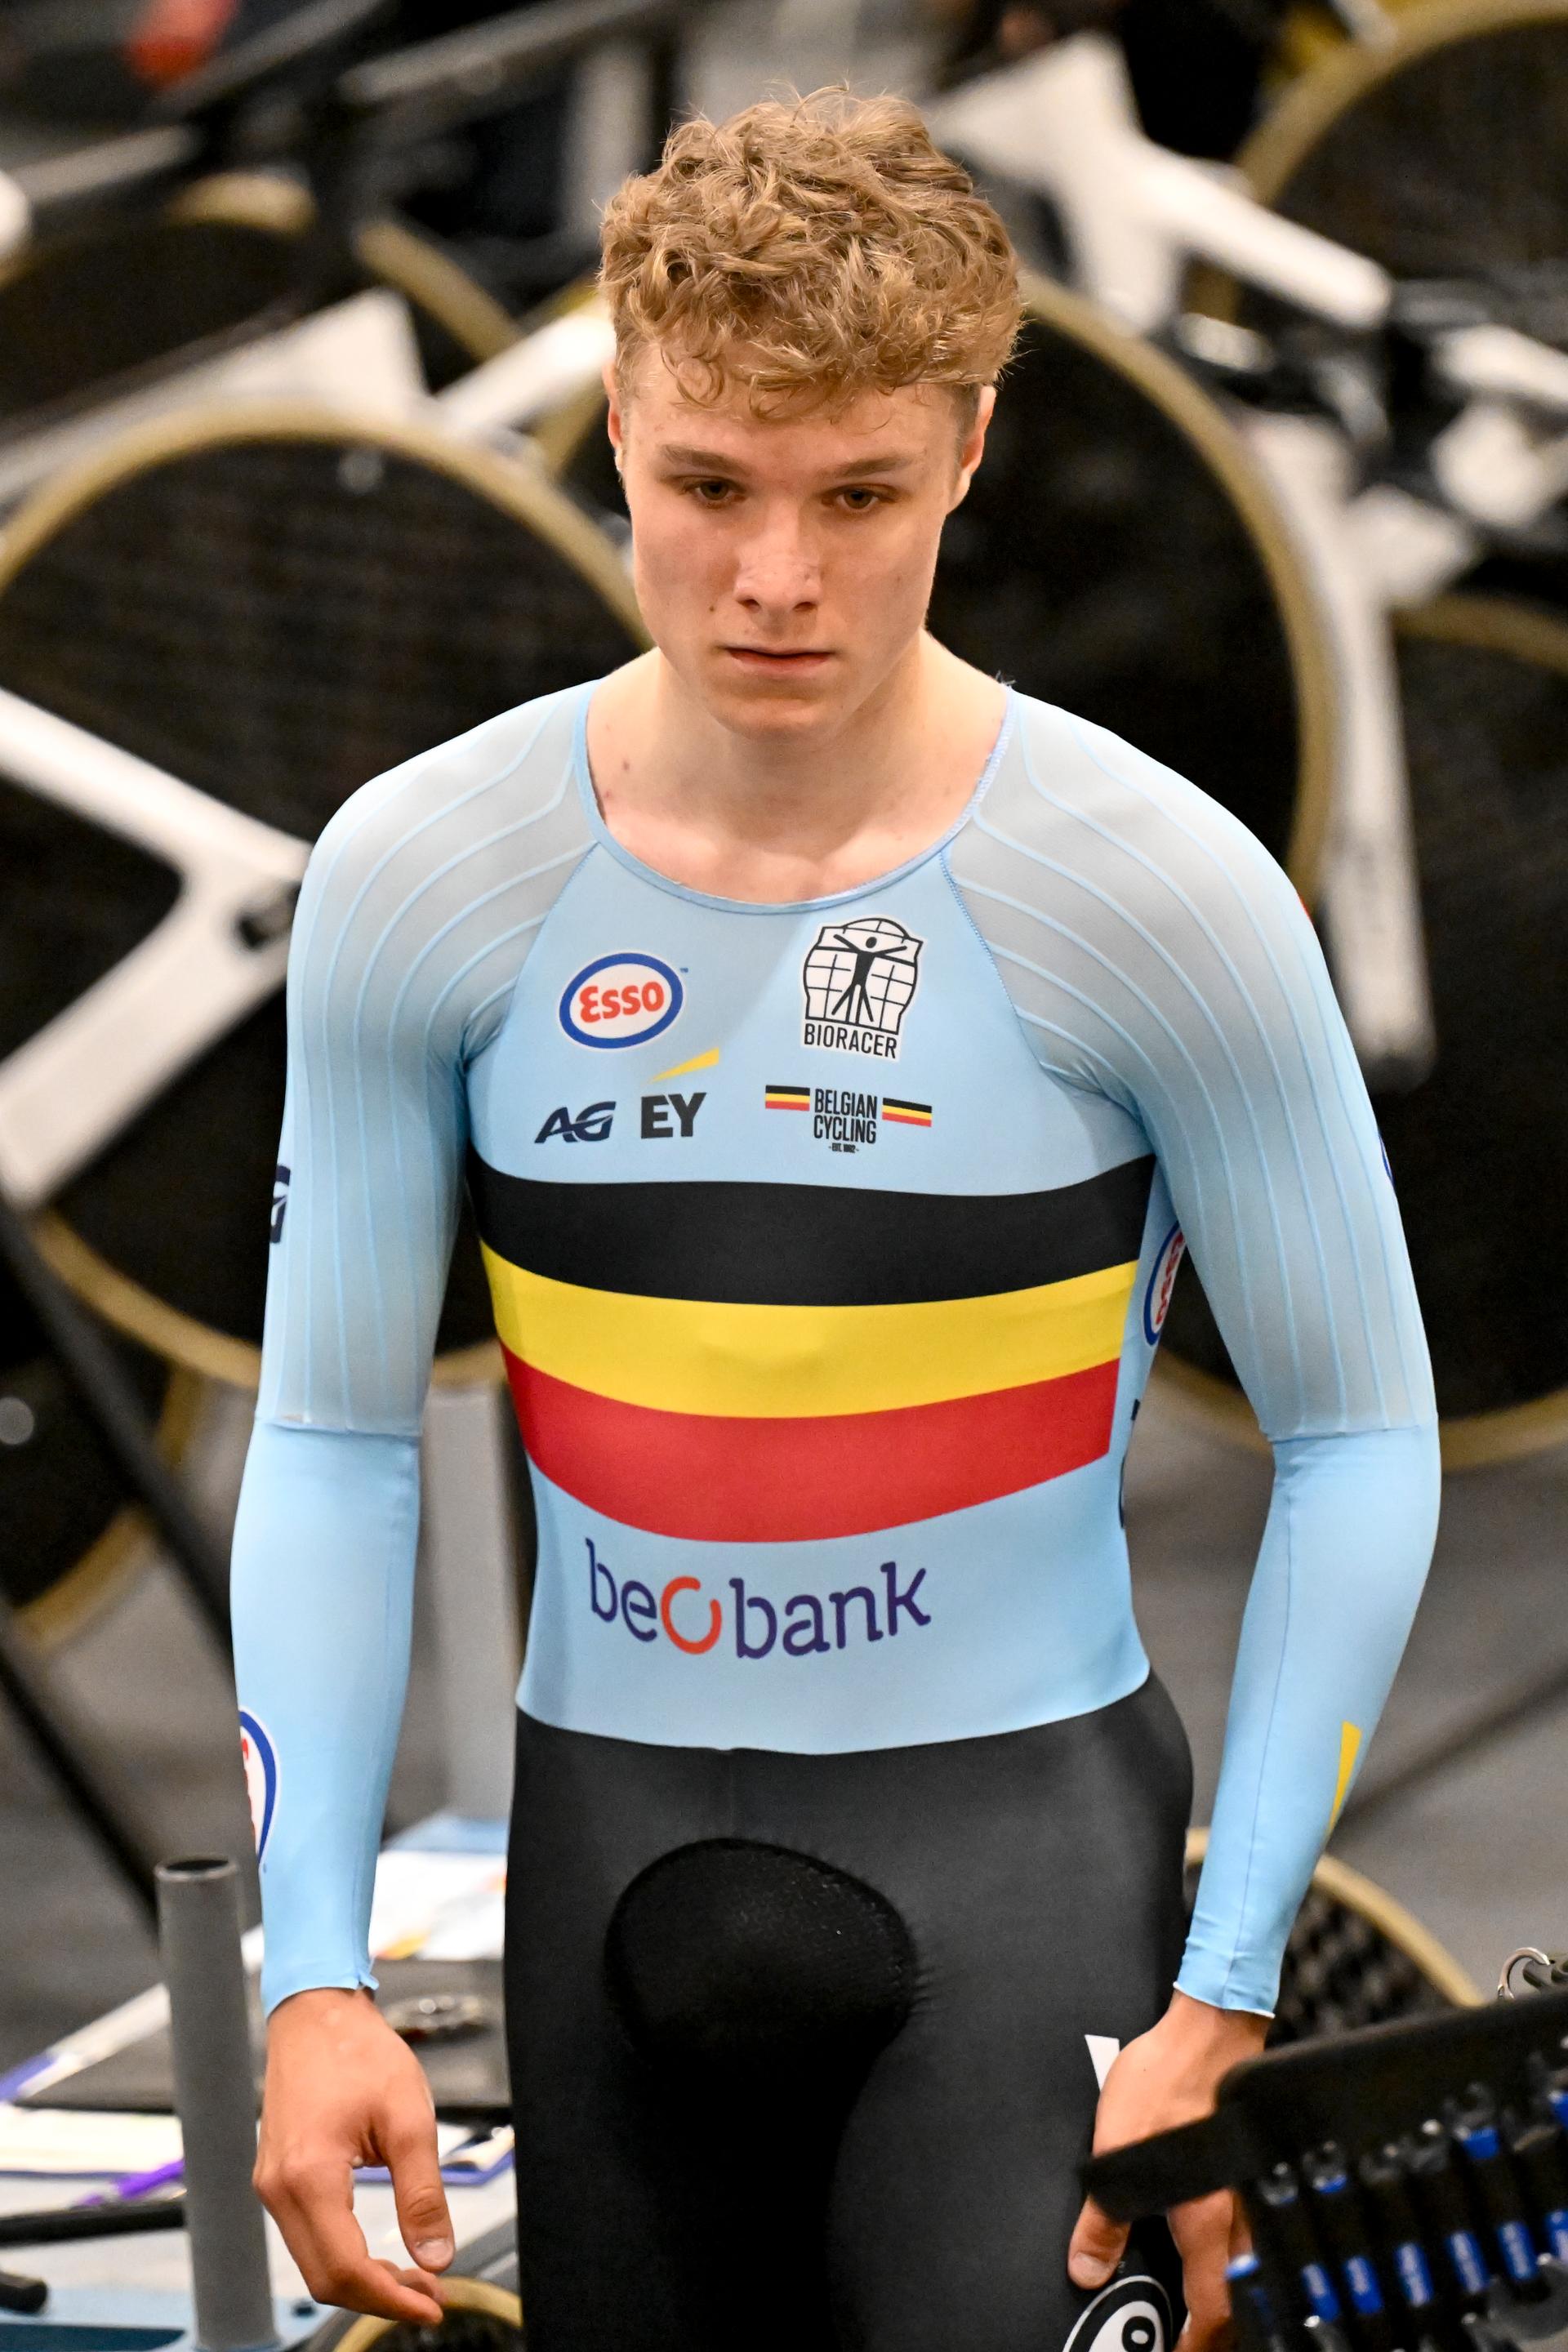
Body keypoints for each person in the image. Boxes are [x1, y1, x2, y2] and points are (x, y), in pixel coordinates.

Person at [231, 90, 1441, 2352]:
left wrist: (1229, 1989)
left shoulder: (1154, 889)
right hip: (605, 1890)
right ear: (614, 429)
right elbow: (330, 1440)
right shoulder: (427, 871)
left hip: (1017, 1884)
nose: (775, 577)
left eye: (859, 495)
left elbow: (1367, 1436)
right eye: (706, 489)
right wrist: (305, 1976)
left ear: (971, 452)